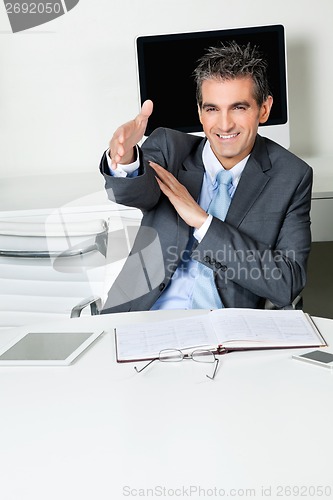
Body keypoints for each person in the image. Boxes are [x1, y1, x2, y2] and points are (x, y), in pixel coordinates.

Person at [99, 41, 312, 314]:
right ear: (200, 111)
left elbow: (287, 283)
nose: (224, 124)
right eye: (212, 109)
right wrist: (126, 157)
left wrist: (202, 221)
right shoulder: (170, 149)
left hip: (227, 330)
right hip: (143, 317)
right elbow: (135, 192)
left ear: (264, 108)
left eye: (239, 108)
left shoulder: (292, 176)